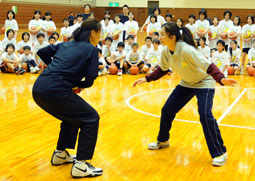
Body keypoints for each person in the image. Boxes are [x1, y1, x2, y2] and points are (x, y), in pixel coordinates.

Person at [133, 22, 237, 167]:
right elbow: (163, 69)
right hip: (187, 83)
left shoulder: (187, 50)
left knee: (205, 115)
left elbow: (209, 66)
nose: (160, 37)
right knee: (167, 109)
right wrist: (146, 78)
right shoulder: (165, 51)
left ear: (172, 37)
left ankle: (220, 152)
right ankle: (163, 140)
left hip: (204, 83)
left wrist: (221, 78)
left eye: (163, 34)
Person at [32, 18, 103, 178]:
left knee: (72, 117)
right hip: (56, 90)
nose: (101, 36)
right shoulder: (91, 49)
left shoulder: (66, 44)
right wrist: (76, 84)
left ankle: (60, 154)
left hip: (39, 88)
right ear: (93, 33)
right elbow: (90, 79)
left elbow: (42, 52)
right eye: (100, 33)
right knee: (91, 118)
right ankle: (81, 165)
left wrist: (55, 70)